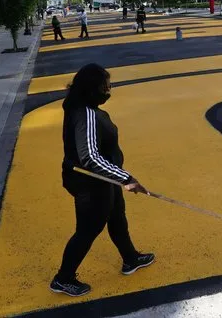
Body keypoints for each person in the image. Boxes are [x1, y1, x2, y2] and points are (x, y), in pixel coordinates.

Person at [51, 63, 154, 297]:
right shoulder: (85, 114)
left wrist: (117, 177)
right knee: (88, 230)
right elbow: (90, 158)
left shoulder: (84, 107)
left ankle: (130, 258)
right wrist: (126, 178)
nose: (108, 91)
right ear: (91, 89)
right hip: (91, 183)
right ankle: (63, 278)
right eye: (104, 87)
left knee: (117, 216)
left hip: (105, 180)